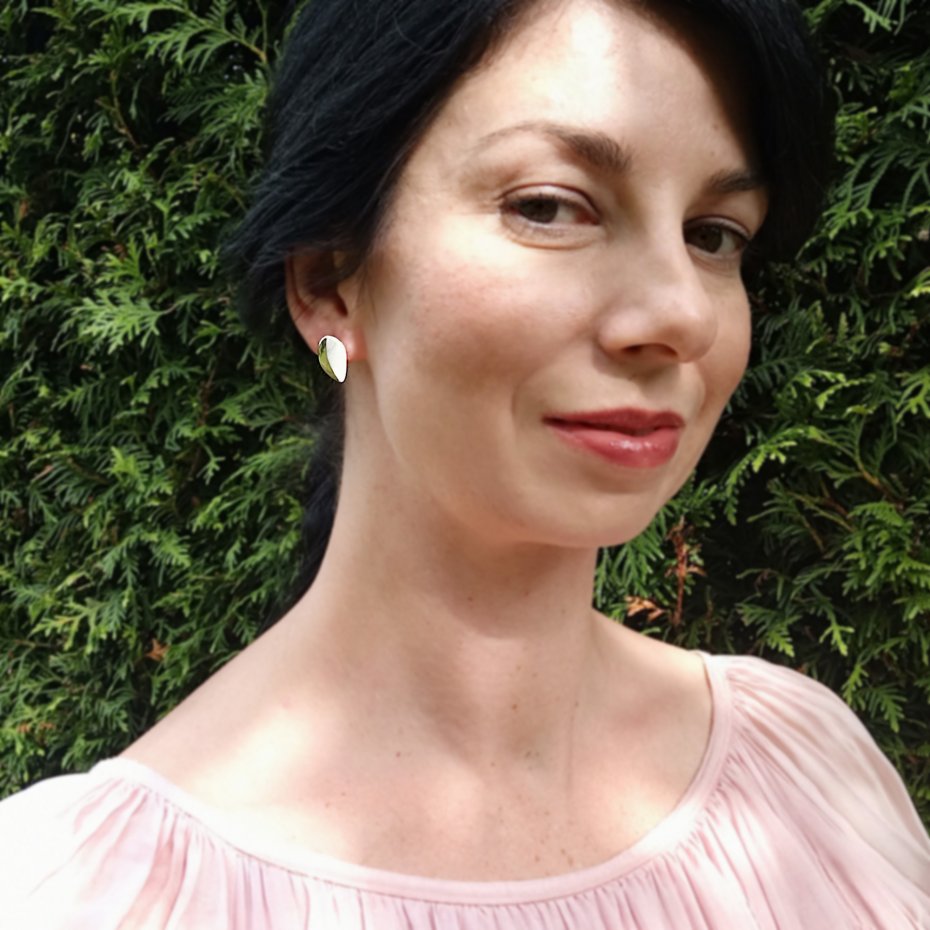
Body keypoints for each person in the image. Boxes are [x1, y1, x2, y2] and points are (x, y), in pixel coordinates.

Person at [1, 0, 929, 926]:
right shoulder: (87, 895)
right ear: (329, 282)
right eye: (548, 207)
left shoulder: (809, 770)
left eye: (714, 234)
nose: (682, 314)